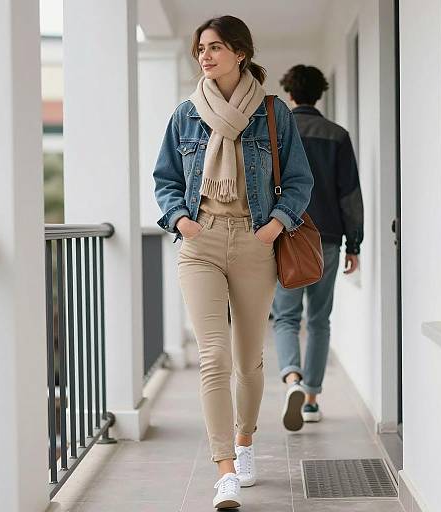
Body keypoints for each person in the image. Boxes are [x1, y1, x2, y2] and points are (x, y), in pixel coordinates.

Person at [153, 16, 313, 509]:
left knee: (248, 360)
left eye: (216, 47)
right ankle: (224, 468)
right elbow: (166, 179)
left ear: (240, 52)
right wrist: (182, 221)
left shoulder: (272, 112)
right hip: (199, 243)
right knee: (213, 358)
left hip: (253, 241)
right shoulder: (186, 115)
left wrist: (273, 226)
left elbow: (301, 180)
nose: (205, 55)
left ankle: (245, 443)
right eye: (200, 48)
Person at [272, 64, 364, 432]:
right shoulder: (337, 135)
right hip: (326, 239)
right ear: (320, 93)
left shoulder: (277, 133)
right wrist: (354, 243)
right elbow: (350, 196)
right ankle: (311, 400)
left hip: (286, 237)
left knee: (286, 317)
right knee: (319, 319)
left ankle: (291, 379)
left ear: (290, 95)